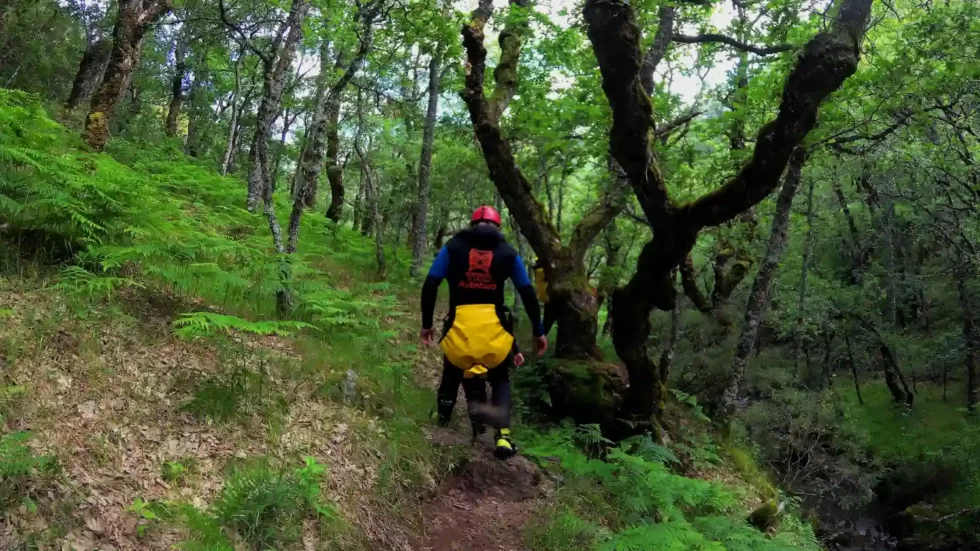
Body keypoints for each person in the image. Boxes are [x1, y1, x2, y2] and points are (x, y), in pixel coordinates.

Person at [420, 205, 547, 459]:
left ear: (472, 223)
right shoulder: (508, 253)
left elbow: (431, 282)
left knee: (451, 374)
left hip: (460, 330)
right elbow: (527, 291)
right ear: (497, 227)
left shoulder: (453, 247)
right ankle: (503, 437)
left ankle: (443, 426)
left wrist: (427, 324)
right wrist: (538, 330)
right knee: (500, 379)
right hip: (494, 335)